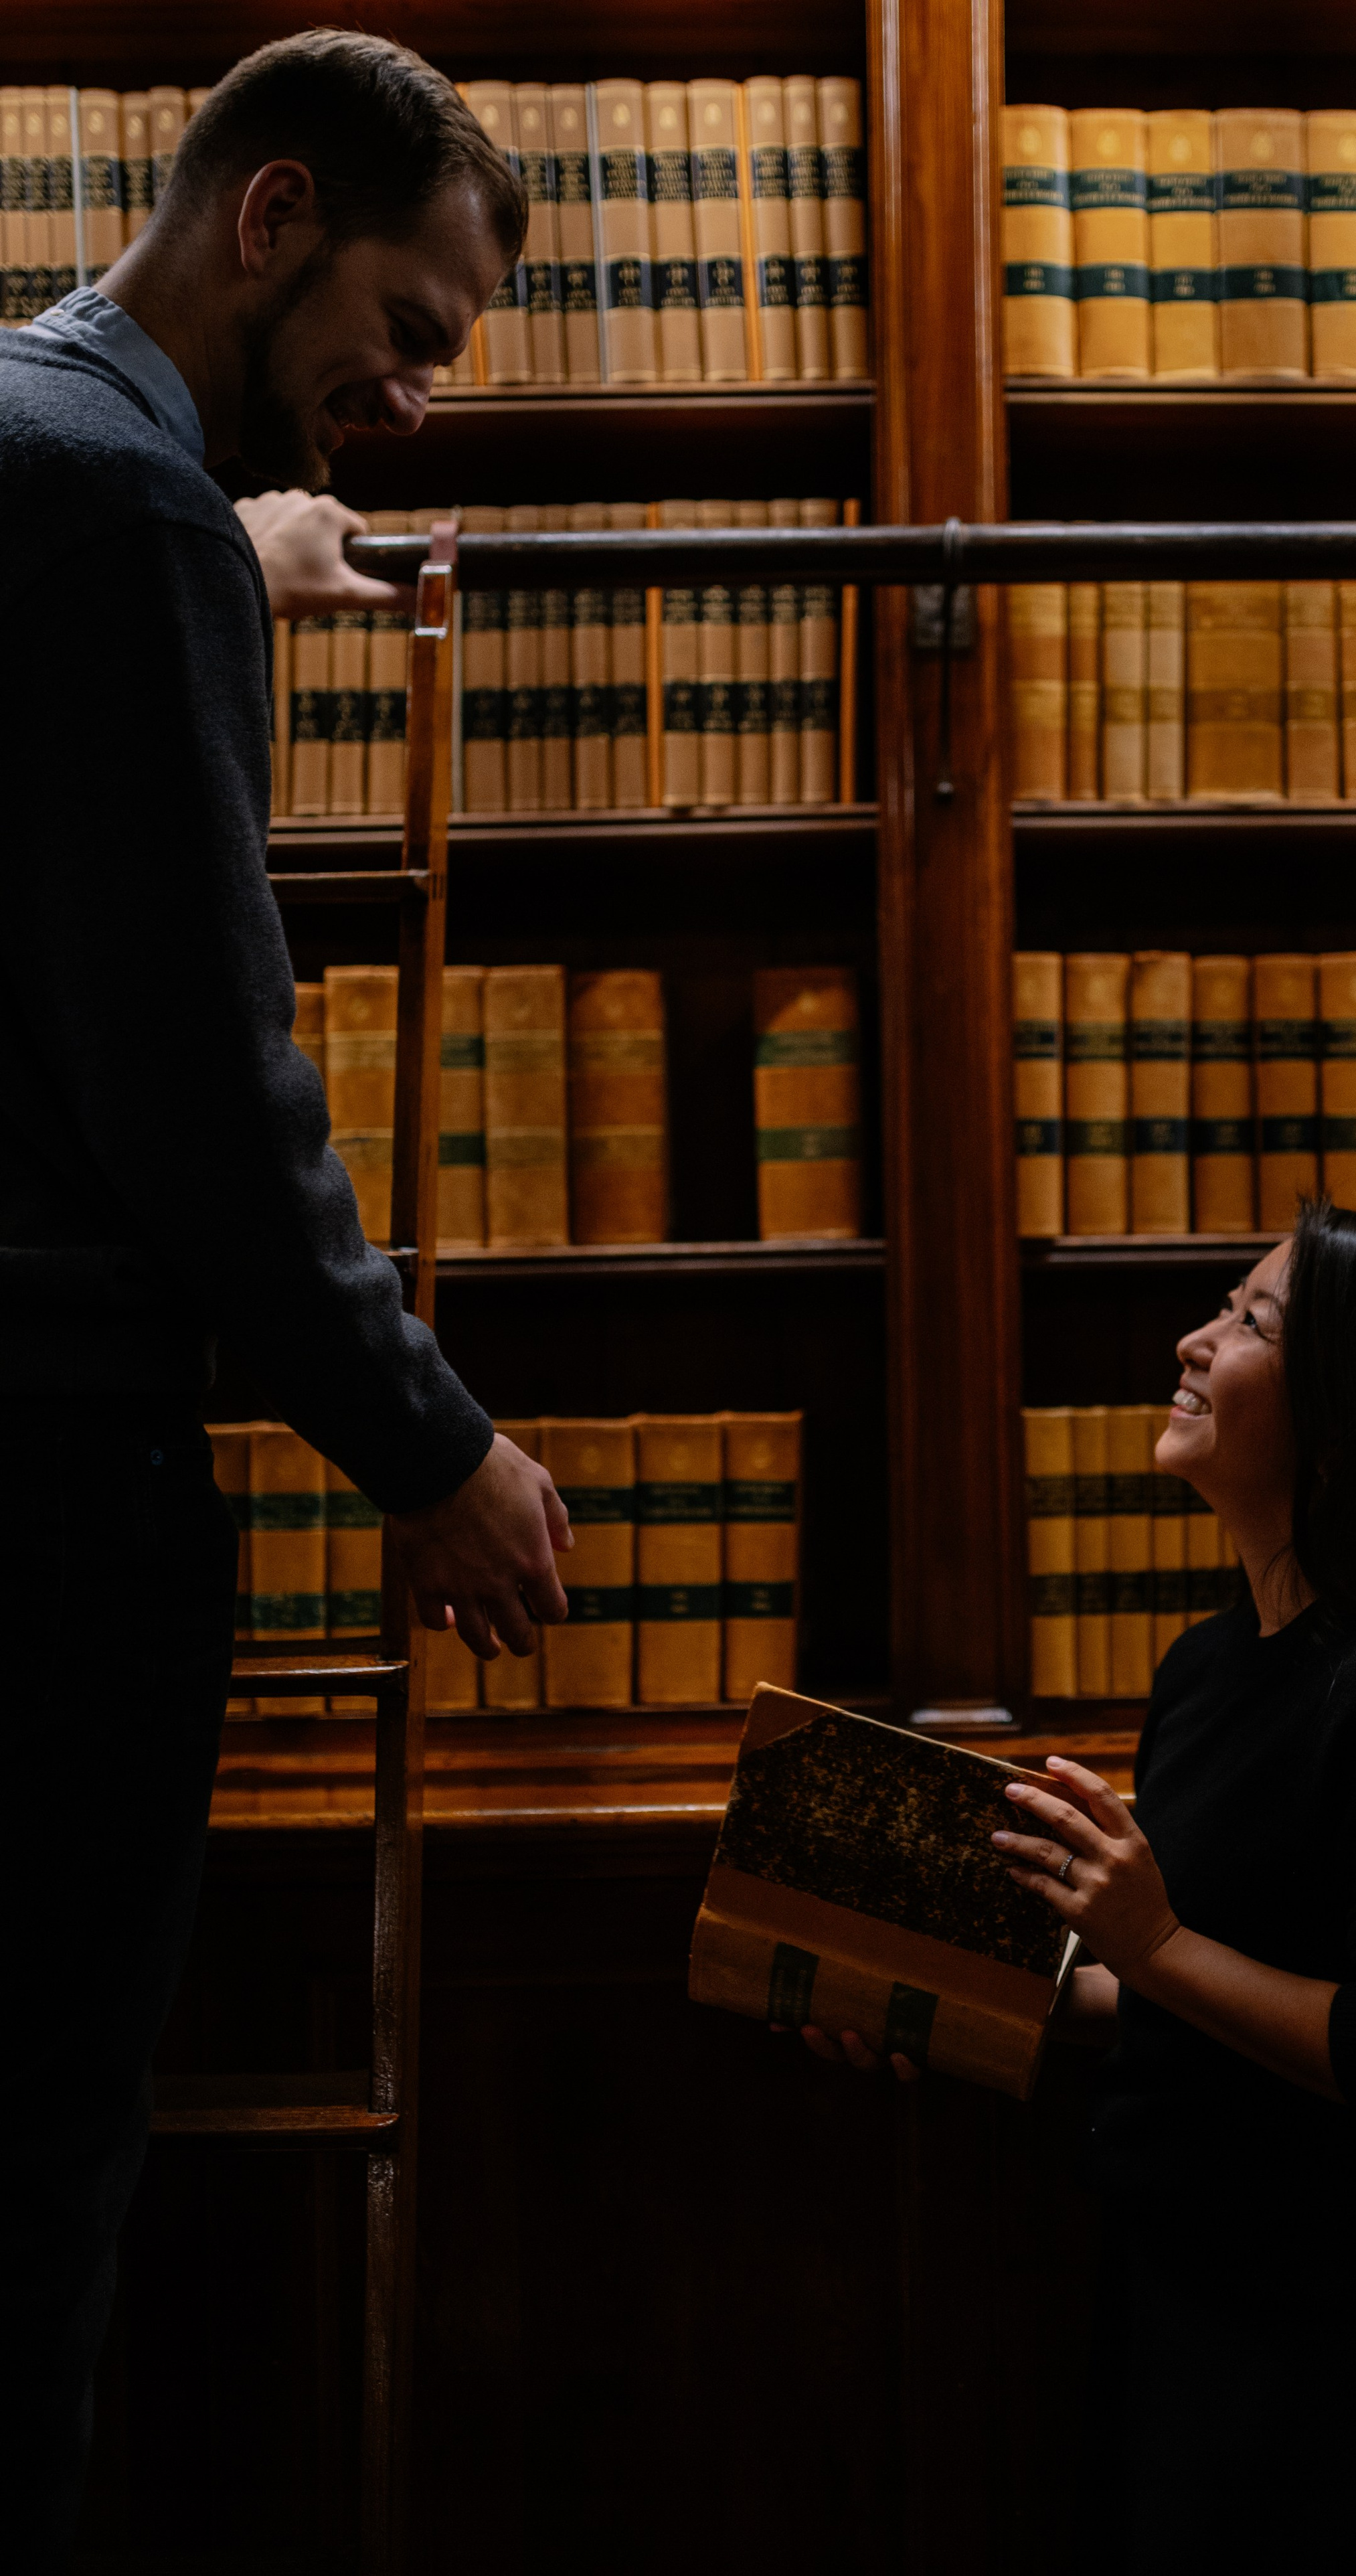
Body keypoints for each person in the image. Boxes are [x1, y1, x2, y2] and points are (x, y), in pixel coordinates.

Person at [0, 34, 569, 2565]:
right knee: (23, 2212)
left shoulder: (52, 442)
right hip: (39, 1508)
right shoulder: (114, 509)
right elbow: (201, 1083)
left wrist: (249, 547)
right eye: (408, 324)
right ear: (272, 212)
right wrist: (432, 1442)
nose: (420, 399)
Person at [991, 1202, 1356, 2573]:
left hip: (1337, 2370)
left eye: (1250, 1320)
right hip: (1177, 2303)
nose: (1192, 1341)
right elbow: (1188, 1995)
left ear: (1344, 1415)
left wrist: (1150, 1939)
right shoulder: (1205, 1669)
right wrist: (937, 1997)